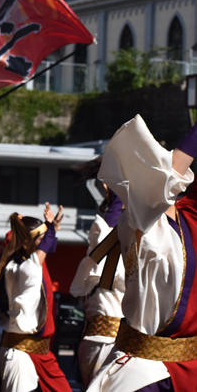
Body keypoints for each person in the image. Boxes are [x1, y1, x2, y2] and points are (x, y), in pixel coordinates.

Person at [86, 114, 197, 391]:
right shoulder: (140, 221)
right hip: (144, 373)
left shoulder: (188, 219)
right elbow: (170, 173)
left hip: (183, 371)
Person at [0, 203, 72, 392]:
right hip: (19, 351)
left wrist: (50, 227)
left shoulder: (26, 263)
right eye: (39, 237)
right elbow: (46, 245)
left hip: (41, 351)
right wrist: (51, 227)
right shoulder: (26, 268)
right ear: (25, 243)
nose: (44, 241)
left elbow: (48, 245)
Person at [69, 156, 125, 387]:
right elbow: (106, 267)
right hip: (105, 340)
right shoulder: (103, 230)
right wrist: (118, 199)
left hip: (121, 340)